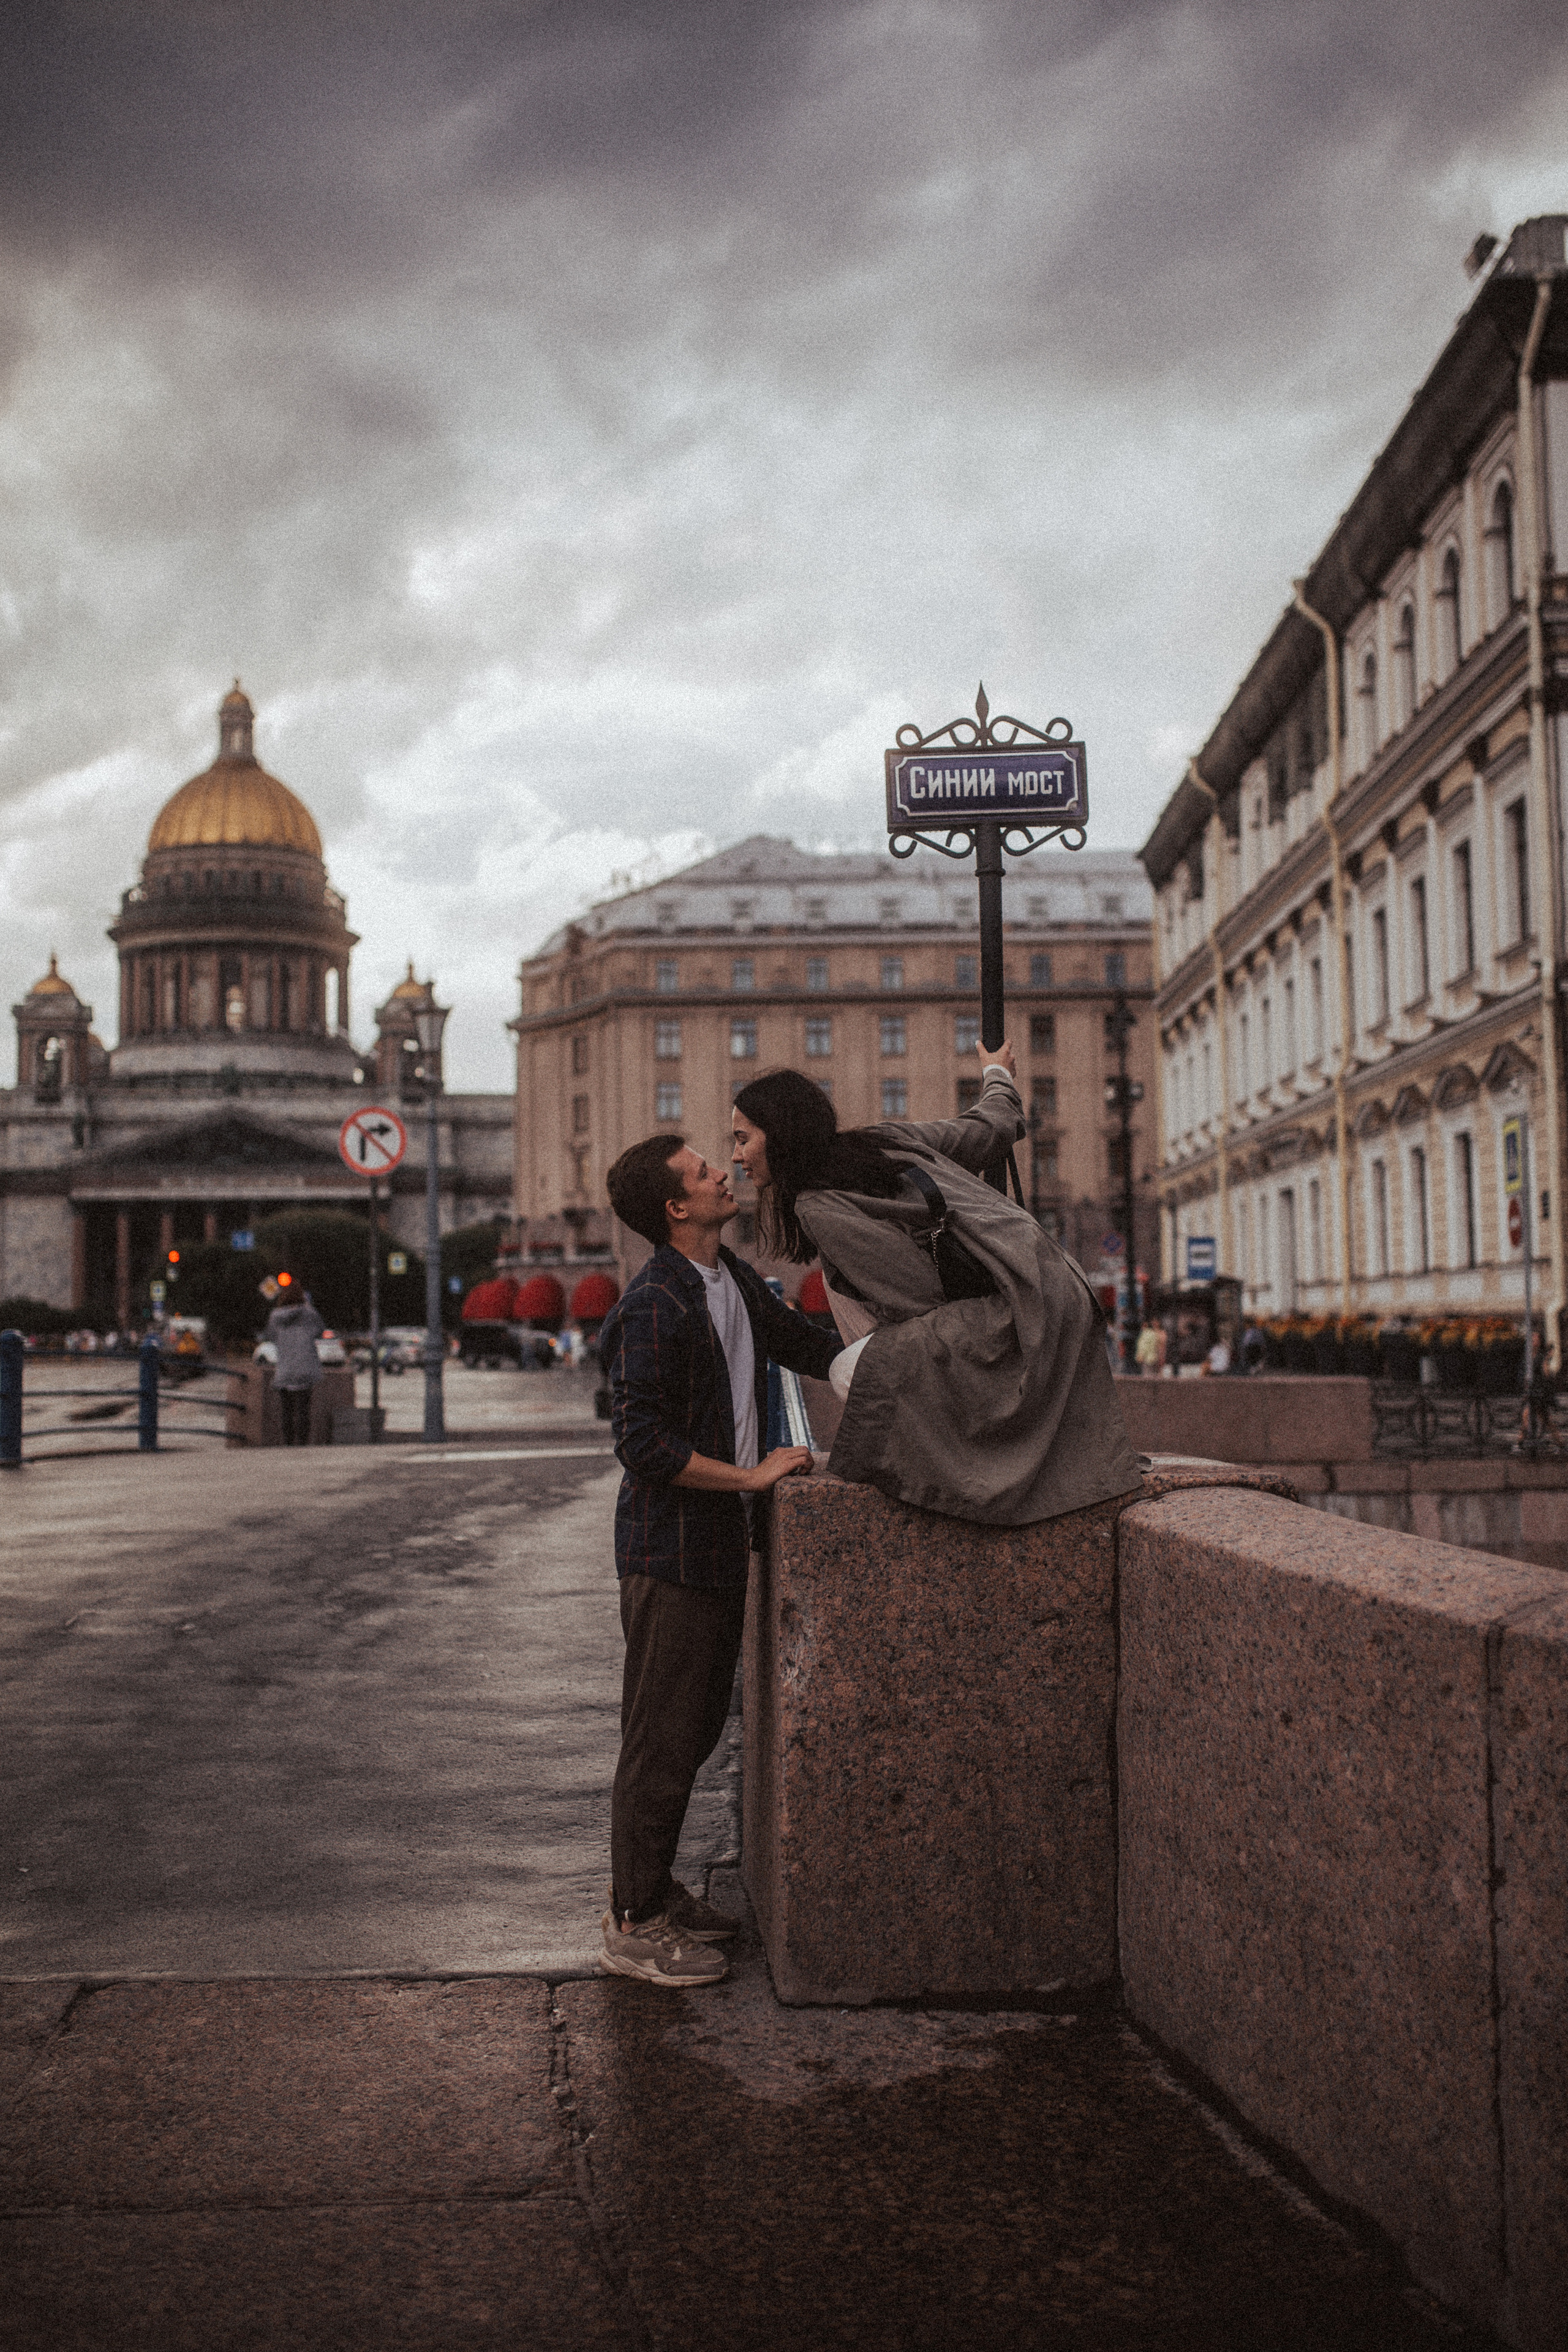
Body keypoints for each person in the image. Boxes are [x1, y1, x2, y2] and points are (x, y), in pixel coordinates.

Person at [597, 1131, 842, 1989]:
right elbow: (644, 1446)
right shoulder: (654, 1302)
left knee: (695, 1730)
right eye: (705, 1172)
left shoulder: (728, 1280)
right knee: (660, 1742)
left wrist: (893, 1361)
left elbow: (799, 1341)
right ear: (676, 1208)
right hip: (669, 1554)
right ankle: (633, 1924)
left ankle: (656, 1893)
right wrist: (752, 1474)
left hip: (714, 1543)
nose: (725, 1171)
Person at [731, 1041, 1142, 1525]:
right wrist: (997, 1075)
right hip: (1053, 1283)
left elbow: (919, 1300)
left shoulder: (817, 1205)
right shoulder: (879, 1141)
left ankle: (980, 1476)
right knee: (881, 1348)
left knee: (855, 1372)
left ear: (777, 1136)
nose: (736, 1155)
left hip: (1016, 1308)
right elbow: (986, 1130)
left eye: (743, 1138)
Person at [265, 1289, 325, 1445]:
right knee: (304, 1409)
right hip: (306, 1369)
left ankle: (288, 1443)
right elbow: (319, 1331)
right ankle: (303, 1442)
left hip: (285, 1370)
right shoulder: (310, 1314)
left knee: (287, 1410)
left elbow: (271, 1336)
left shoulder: (275, 1317)